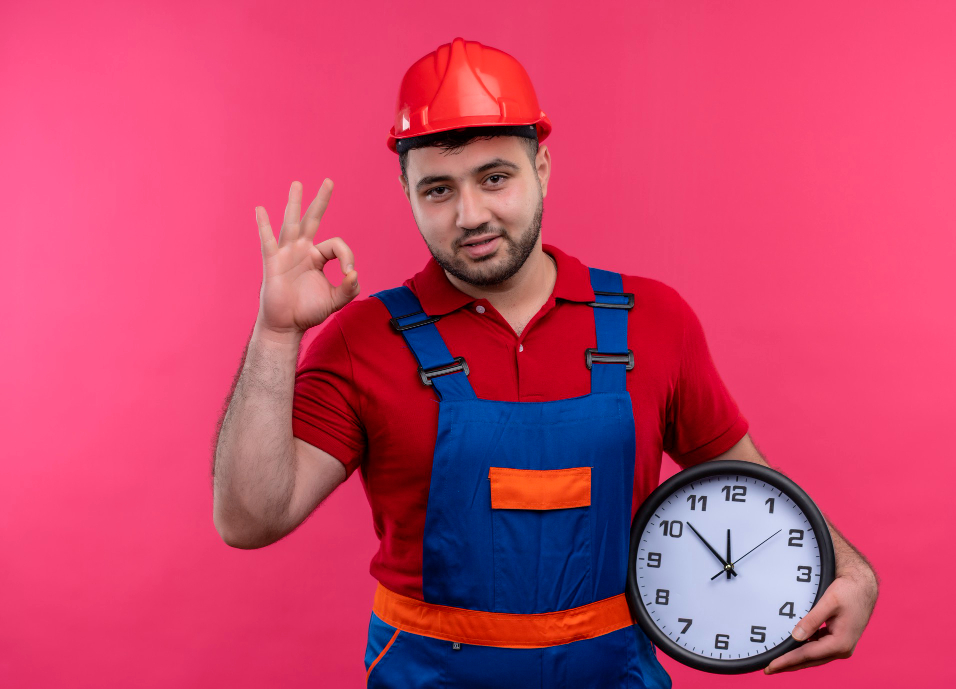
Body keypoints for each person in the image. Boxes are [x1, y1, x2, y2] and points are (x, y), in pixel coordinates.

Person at [213, 37, 879, 687]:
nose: (470, 214)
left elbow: (753, 490)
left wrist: (848, 568)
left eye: (494, 177)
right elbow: (249, 520)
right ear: (406, 189)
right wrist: (276, 332)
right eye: (437, 190)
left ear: (542, 169)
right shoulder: (366, 339)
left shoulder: (655, 320)